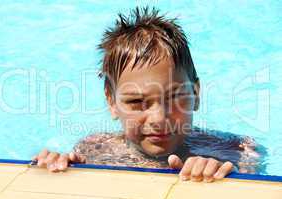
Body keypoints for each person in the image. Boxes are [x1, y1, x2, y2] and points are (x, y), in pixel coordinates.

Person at [33, 7, 262, 183]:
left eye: (174, 97)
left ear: (195, 93)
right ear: (112, 102)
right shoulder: (93, 150)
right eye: (136, 102)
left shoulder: (234, 149)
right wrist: (58, 168)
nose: (158, 119)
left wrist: (224, 171)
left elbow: (255, 178)